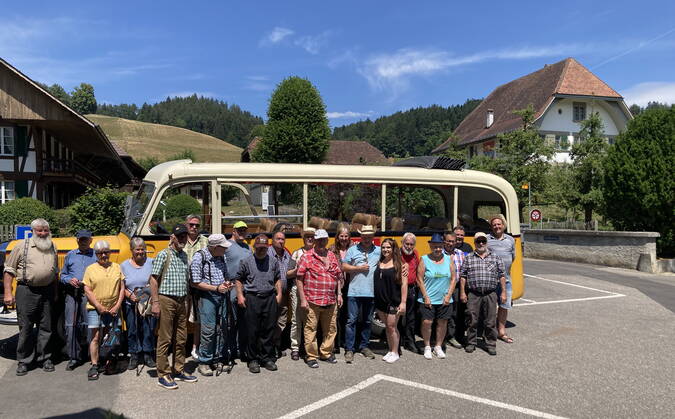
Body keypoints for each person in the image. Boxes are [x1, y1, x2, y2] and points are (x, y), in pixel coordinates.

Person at [3, 218, 59, 376]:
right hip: (26, 291)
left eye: (45, 230)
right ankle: (24, 361)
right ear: (33, 231)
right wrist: (8, 293)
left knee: (46, 327)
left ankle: (45, 358)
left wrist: (55, 292)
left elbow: (55, 272)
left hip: (47, 291)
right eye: (39, 230)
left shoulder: (52, 246)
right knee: (26, 328)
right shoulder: (22, 246)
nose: (42, 233)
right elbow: (9, 270)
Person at [150, 224, 198, 390]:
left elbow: (186, 280)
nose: (183, 239)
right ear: (173, 237)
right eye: (180, 236)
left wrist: (188, 300)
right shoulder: (163, 254)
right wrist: (155, 302)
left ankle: (178, 369)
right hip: (166, 299)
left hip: (181, 300)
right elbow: (153, 279)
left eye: (185, 236)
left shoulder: (184, 255)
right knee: (165, 338)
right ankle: (163, 374)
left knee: (181, 337)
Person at [236, 235, 282, 373]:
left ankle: (266, 358)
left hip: (269, 297)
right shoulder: (246, 261)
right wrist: (239, 295)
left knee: (268, 329)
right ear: (254, 247)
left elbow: (278, 278)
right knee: (252, 330)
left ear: (268, 247)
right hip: (252, 298)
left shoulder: (273, 261)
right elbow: (238, 279)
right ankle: (253, 359)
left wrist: (279, 294)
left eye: (264, 248)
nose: (262, 250)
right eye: (259, 248)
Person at [296, 229, 342, 368]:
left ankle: (326, 353)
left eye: (324, 239)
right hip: (312, 300)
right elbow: (299, 278)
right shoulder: (307, 257)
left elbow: (338, 276)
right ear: (315, 241)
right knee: (311, 329)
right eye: (319, 239)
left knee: (331, 328)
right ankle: (311, 356)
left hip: (330, 300)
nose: (322, 242)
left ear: (327, 240)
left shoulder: (332, 256)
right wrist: (303, 299)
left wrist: (339, 294)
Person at [191, 234, 233, 376]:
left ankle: (217, 358)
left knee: (222, 327)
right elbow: (195, 282)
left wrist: (227, 282)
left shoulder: (222, 256)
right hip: (207, 296)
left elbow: (225, 275)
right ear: (215, 247)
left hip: (221, 294)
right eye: (223, 247)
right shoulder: (199, 258)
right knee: (208, 330)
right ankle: (204, 361)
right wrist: (216, 288)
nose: (226, 250)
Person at [83, 240, 126, 380]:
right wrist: (99, 306)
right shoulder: (90, 269)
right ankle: (95, 364)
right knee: (95, 337)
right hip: (96, 308)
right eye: (100, 253)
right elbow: (87, 290)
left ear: (110, 252)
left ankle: (108, 362)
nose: (104, 255)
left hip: (113, 308)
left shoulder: (117, 267)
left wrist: (117, 306)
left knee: (111, 336)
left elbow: (122, 288)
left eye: (106, 252)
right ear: (96, 254)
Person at [459, 232, 507, 356]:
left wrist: (503, 292)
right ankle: (471, 342)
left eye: (483, 241)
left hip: (490, 293)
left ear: (486, 242)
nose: (481, 243)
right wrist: (463, 292)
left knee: (490, 321)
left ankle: (491, 344)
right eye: (478, 241)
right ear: (474, 243)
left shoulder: (495, 257)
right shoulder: (469, 257)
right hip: (473, 294)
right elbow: (463, 276)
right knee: (471, 319)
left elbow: (502, 275)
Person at [341, 225, 380, 363]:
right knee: (351, 321)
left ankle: (364, 346)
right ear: (361, 237)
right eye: (364, 237)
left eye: (369, 237)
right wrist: (358, 268)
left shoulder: (379, 251)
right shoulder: (352, 250)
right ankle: (349, 349)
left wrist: (403, 266)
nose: (367, 239)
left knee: (368, 321)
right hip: (354, 292)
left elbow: (392, 261)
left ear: (373, 237)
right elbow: (343, 266)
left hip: (371, 292)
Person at [60, 229, 97, 371]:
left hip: (89, 294)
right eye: (81, 239)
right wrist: (69, 279)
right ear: (77, 240)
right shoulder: (70, 255)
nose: (83, 242)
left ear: (90, 240)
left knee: (90, 325)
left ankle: (91, 355)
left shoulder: (96, 255)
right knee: (70, 326)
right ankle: (73, 357)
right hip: (72, 293)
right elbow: (62, 275)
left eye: (85, 239)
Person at [417, 233, 456, 360]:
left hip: (444, 299)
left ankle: (438, 346)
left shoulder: (449, 259)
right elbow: (419, 279)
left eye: (439, 246)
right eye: (435, 246)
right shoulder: (424, 259)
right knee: (427, 322)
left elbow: (453, 278)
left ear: (443, 246)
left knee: (442, 322)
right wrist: (425, 296)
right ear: (430, 246)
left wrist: (449, 295)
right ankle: (427, 346)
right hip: (428, 298)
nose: (437, 249)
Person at [121, 237, 157, 370]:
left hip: (147, 302)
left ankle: (148, 354)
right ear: (132, 250)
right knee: (132, 329)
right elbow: (121, 286)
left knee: (148, 329)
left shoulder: (152, 262)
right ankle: (134, 355)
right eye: (137, 249)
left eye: (142, 249)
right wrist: (130, 295)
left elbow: (156, 281)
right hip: (131, 302)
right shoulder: (124, 265)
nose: (140, 252)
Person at [374, 238, 408, 363]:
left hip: (393, 301)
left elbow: (404, 285)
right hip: (380, 301)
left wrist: (403, 302)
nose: (385, 250)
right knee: (388, 327)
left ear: (394, 249)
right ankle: (390, 349)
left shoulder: (400, 265)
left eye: (388, 247)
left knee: (392, 326)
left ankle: (395, 351)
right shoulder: (380, 262)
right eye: (383, 247)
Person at [223, 220, 252, 361]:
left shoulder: (248, 247)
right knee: (231, 320)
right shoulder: (227, 245)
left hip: (246, 286)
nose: (242, 232)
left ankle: (242, 349)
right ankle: (230, 348)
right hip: (232, 285)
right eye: (239, 230)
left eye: (244, 230)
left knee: (244, 320)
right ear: (233, 231)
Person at [287, 227, 315, 361]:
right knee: (296, 320)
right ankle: (295, 347)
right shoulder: (296, 253)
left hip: (314, 291)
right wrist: (298, 269)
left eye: (312, 236)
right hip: (297, 290)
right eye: (307, 236)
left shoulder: (318, 253)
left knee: (310, 320)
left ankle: (308, 346)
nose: (310, 238)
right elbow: (287, 273)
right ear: (303, 239)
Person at [487, 215, 516, 345]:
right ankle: (490, 332)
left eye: (499, 224)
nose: (497, 227)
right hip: (491, 280)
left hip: (507, 280)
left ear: (503, 225)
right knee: (491, 307)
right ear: (491, 227)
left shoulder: (510, 240)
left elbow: (513, 257)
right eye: (494, 225)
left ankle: (502, 332)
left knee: (504, 306)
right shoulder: (487, 239)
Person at [184, 214, 209, 361]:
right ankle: (180, 347)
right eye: (191, 224)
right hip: (183, 286)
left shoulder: (205, 242)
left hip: (200, 286)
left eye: (197, 225)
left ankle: (195, 347)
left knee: (199, 319)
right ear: (186, 225)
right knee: (182, 317)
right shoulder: (179, 240)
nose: (194, 227)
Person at [328, 224, 352, 353]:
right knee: (336, 315)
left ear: (349, 237)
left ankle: (346, 341)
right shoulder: (331, 249)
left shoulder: (354, 248)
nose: (343, 238)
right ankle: (336, 343)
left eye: (346, 236)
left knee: (349, 315)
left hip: (352, 285)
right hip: (337, 286)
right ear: (337, 237)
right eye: (341, 236)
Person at [268, 231, 291, 358]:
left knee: (281, 320)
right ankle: (268, 347)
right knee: (270, 320)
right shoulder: (267, 253)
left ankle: (276, 346)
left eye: (283, 239)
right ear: (273, 240)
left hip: (284, 294)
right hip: (271, 294)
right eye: (278, 239)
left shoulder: (286, 254)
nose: (281, 241)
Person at [443, 231, 465, 349]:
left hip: (456, 287)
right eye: (448, 241)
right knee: (444, 312)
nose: (450, 243)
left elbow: (464, 273)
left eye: (453, 241)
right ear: (444, 242)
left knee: (456, 312)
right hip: (443, 287)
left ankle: (453, 336)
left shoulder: (460, 253)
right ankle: (444, 336)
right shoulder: (439, 253)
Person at [399, 232, 419, 354]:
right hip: (398, 288)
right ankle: (398, 340)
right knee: (398, 316)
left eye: (412, 244)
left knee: (411, 317)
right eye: (407, 243)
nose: (409, 246)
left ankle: (410, 341)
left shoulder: (415, 254)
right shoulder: (396, 254)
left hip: (411, 288)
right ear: (402, 243)